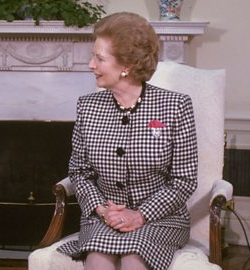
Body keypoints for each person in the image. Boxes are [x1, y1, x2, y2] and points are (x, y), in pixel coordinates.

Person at [57, 12, 198, 270]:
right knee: (99, 258)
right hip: (103, 217)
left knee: (135, 258)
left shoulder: (175, 106)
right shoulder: (88, 106)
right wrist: (102, 209)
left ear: (127, 65)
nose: (91, 65)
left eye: (99, 58)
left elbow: (183, 180)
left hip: (161, 219)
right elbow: (79, 172)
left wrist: (141, 214)